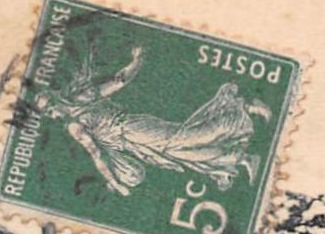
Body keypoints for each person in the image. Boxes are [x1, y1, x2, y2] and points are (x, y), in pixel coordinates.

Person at [37, 44, 271, 197]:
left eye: (50, 108)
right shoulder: (73, 125)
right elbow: (97, 154)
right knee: (179, 155)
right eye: (47, 114)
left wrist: (136, 60)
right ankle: (240, 160)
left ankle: (245, 107)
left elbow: (119, 82)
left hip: (132, 127)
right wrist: (116, 181)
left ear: (57, 99)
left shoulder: (80, 103)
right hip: (132, 144)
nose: (51, 114)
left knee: (187, 139)